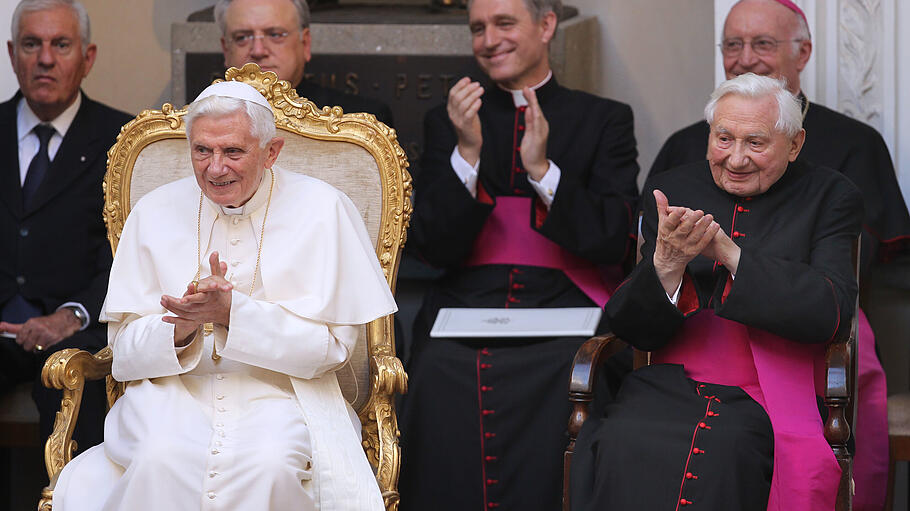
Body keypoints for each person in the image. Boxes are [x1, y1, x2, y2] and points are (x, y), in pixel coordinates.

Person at [50, 80, 397, 510]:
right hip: (170, 394)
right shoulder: (153, 211)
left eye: (233, 152)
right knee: (159, 458)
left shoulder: (325, 210)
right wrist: (181, 328)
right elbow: (120, 356)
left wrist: (236, 315)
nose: (215, 169)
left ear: (271, 152)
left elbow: (333, 351)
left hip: (284, 396)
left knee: (269, 465)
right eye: (202, 151)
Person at [571, 73, 861, 511]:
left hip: (773, 387)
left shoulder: (829, 195)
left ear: (795, 145)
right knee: (618, 436)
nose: (736, 159)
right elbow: (629, 328)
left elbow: (831, 310)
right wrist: (666, 267)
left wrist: (731, 254)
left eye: (756, 143)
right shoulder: (672, 190)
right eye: (724, 138)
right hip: (669, 382)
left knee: (729, 447)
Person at [648, 2, 896, 508]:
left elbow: (853, 266)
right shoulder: (683, 147)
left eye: (763, 44)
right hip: (698, 325)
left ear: (803, 52)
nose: (745, 58)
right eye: (733, 45)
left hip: (812, 324)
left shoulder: (854, 143)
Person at [398, 0, 639, 508]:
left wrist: (543, 172)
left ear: (547, 25)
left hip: (566, 297)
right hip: (466, 296)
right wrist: (466, 152)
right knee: (436, 368)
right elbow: (432, 248)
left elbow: (617, 238)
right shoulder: (448, 120)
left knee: (565, 368)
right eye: (478, 28)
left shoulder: (604, 119)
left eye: (504, 23)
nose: (489, 39)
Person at [0, 0, 132, 451]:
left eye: (61, 44)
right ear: (12, 53)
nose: (45, 59)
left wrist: (72, 313)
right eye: (32, 45)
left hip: (73, 328)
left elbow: (126, 254)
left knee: (76, 382)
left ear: (87, 57)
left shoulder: (122, 143)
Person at [216, 0, 394, 126]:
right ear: (226, 49)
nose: (258, 50)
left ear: (305, 43)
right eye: (242, 37)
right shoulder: (196, 118)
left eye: (275, 35)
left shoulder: (360, 121)